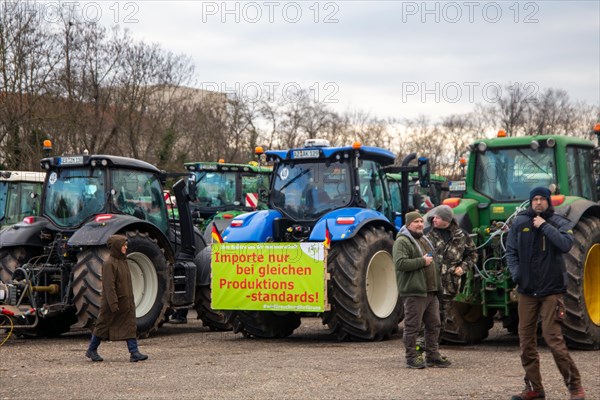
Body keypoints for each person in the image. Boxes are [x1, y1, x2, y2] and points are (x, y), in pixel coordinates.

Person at [506, 187, 585, 400]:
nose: (538, 202)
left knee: (553, 340)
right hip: (527, 291)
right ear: (530, 202)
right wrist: (517, 274)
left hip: (552, 291)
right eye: (535, 199)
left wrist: (545, 226)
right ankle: (534, 388)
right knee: (526, 342)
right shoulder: (520, 223)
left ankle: (574, 386)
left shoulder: (559, 222)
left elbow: (566, 245)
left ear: (548, 202)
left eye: (542, 199)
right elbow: (511, 251)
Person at [393, 211, 450, 369]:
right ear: (408, 224)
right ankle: (411, 357)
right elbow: (400, 263)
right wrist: (421, 261)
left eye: (421, 221)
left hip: (430, 291)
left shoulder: (423, 239)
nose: (420, 224)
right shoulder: (403, 241)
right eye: (416, 222)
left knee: (434, 325)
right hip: (415, 291)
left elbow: (432, 260)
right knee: (413, 326)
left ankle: (433, 355)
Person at [85, 235, 148, 363]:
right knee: (103, 324)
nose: (126, 247)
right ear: (117, 247)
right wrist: (113, 303)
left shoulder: (123, 262)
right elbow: (109, 286)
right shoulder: (109, 264)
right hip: (112, 302)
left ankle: (134, 352)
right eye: (123, 245)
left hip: (125, 301)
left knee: (130, 324)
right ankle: (91, 350)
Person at [426, 205, 477, 334]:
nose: (434, 220)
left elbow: (473, 254)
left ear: (446, 220)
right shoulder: (428, 236)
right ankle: (422, 348)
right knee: (428, 318)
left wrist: (462, 268)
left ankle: (434, 349)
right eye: (433, 217)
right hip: (431, 283)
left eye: (437, 217)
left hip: (450, 285)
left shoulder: (461, 236)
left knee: (442, 319)